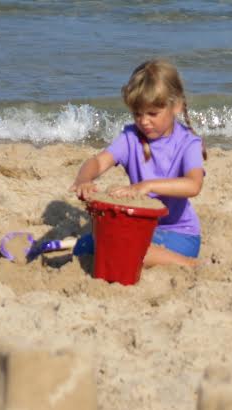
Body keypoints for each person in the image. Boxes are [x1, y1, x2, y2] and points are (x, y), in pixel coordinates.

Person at [70, 58, 206, 268]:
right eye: (137, 113)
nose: (144, 121)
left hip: (179, 235)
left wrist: (147, 186)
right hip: (139, 228)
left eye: (153, 113)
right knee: (84, 247)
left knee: (127, 249)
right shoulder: (131, 138)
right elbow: (98, 162)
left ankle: (188, 264)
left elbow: (193, 185)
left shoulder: (188, 143)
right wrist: (84, 179)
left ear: (176, 105)